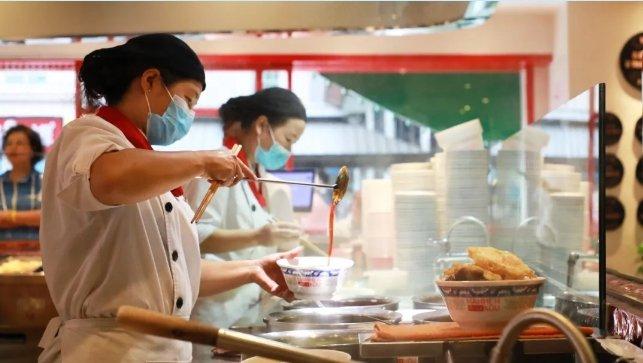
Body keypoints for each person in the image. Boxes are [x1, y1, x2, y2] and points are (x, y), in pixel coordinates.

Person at [37, 34, 299, 363]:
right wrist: (202, 161)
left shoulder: (145, 164)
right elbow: (109, 178)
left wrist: (252, 269)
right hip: (109, 349)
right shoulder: (88, 133)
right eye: (188, 100)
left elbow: (176, 276)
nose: (188, 114)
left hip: (159, 349)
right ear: (150, 81)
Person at [185, 88, 307, 356]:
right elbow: (195, 237)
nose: (288, 150)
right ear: (262, 125)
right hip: (215, 316)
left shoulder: (257, 174)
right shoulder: (216, 167)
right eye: (289, 139)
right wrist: (259, 236)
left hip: (244, 312)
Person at [0, 125, 44, 241]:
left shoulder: (44, 182)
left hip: (38, 253)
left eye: (19, 143)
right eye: (8, 144)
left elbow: (48, 218)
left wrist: (9, 217)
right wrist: (30, 218)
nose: (13, 148)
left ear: (33, 150)